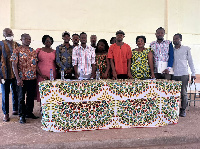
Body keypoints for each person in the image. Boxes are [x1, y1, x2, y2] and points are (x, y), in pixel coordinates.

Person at [11, 33, 39, 124]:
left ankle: (29, 113)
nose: (28, 40)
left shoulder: (33, 51)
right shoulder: (17, 50)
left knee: (30, 97)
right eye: (26, 39)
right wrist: (18, 78)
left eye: (29, 39)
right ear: (21, 39)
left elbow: (36, 65)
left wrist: (41, 75)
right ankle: (21, 115)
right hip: (22, 79)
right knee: (21, 98)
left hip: (32, 78)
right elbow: (14, 64)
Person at [172, 33, 196, 117]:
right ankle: (174, 109)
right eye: (174, 39)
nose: (175, 40)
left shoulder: (186, 49)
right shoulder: (172, 50)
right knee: (173, 93)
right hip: (174, 74)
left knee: (183, 93)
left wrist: (193, 73)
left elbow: (190, 62)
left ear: (180, 39)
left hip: (183, 74)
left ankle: (183, 110)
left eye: (177, 39)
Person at [0, 28, 19, 122]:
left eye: (10, 32)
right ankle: (6, 113)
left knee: (16, 92)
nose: (10, 34)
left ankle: (15, 109)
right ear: (4, 35)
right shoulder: (1, 44)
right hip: (4, 74)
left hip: (15, 74)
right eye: (7, 33)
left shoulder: (16, 44)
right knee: (5, 94)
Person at [36, 35, 57, 102]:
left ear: (52, 42)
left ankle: (50, 109)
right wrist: (41, 74)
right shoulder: (39, 50)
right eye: (46, 40)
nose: (48, 42)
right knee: (42, 91)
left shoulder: (55, 52)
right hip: (41, 74)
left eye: (49, 41)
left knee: (51, 91)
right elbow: (34, 63)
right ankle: (42, 109)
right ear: (44, 42)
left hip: (52, 75)